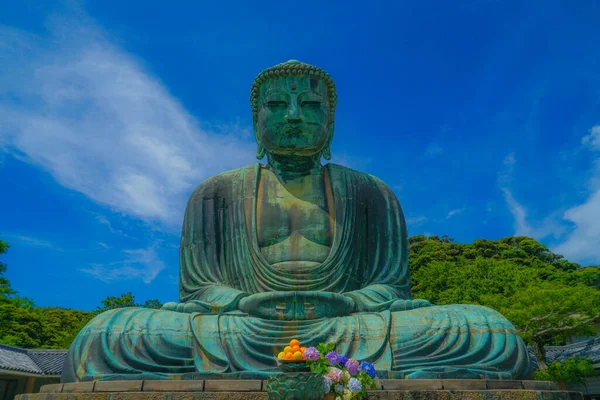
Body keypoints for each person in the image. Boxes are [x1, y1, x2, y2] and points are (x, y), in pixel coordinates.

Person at [61, 60, 532, 382]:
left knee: (489, 331)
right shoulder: (215, 193)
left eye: (309, 107)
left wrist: (343, 303)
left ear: (330, 120)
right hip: (240, 327)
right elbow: (200, 290)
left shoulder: (370, 192)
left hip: (352, 327)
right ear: (254, 119)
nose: (292, 116)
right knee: (106, 336)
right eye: (276, 106)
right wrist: (243, 303)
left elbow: (391, 288)